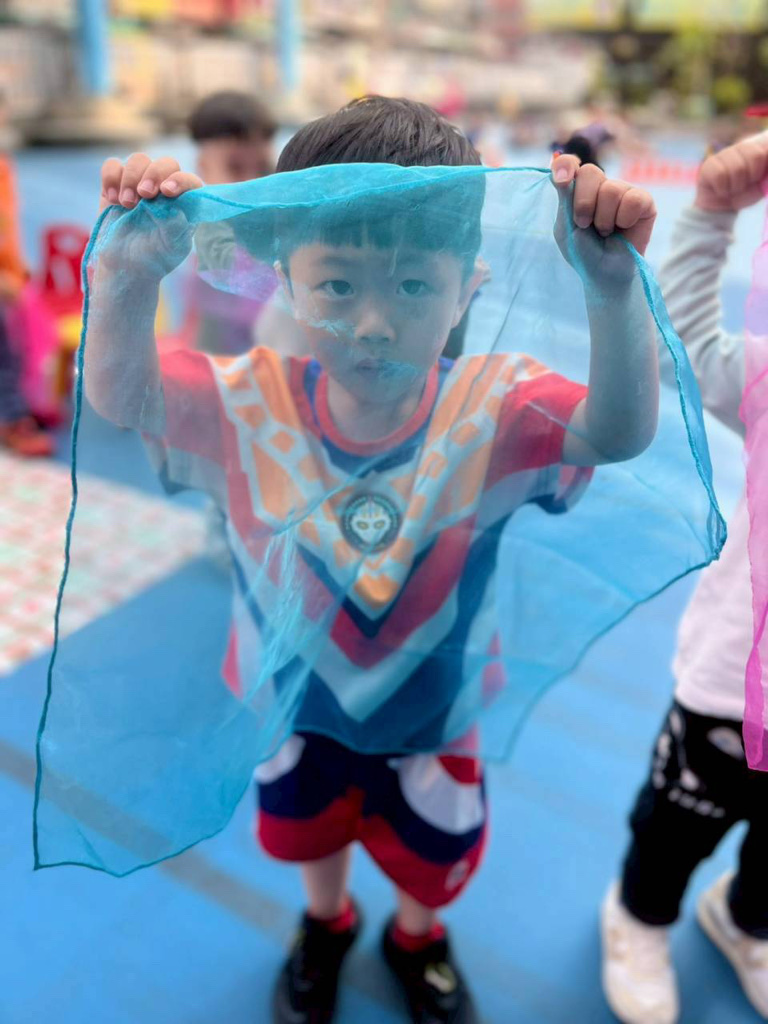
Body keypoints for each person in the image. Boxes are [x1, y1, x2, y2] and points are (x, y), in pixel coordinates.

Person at [93, 95, 659, 1024]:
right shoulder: (247, 403)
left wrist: (611, 288)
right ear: (286, 282)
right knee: (309, 832)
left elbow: (617, 431)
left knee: (431, 851)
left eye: (412, 287)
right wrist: (124, 279)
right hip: (294, 706)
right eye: (337, 284)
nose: (372, 323)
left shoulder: (497, 409)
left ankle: (416, 936)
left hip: (434, 717)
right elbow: (123, 397)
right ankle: (327, 922)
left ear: (467, 289)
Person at [600, 133, 768, 1024]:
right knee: (676, 826)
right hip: (732, 689)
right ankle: (638, 918)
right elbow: (689, 342)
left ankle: (746, 920)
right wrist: (710, 216)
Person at [0, 106, 53, 457]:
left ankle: (22, 403)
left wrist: (16, 271)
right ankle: (11, 415)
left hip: (8, 274)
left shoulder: (4, 168)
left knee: (25, 335)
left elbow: (8, 229)